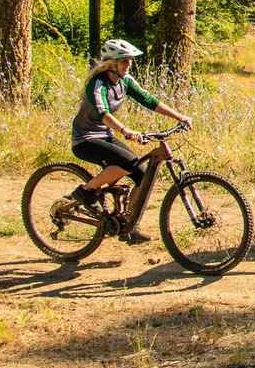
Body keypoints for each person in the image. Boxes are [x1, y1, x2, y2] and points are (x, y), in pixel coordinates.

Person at [70, 38, 192, 239]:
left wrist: (179, 116)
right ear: (112, 63)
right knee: (128, 162)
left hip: (105, 136)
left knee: (142, 174)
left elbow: (149, 100)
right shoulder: (97, 83)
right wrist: (125, 130)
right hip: (85, 139)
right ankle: (86, 191)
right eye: (124, 61)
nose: (129, 65)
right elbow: (103, 113)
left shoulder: (125, 81)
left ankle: (129, 225)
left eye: (130, 61)